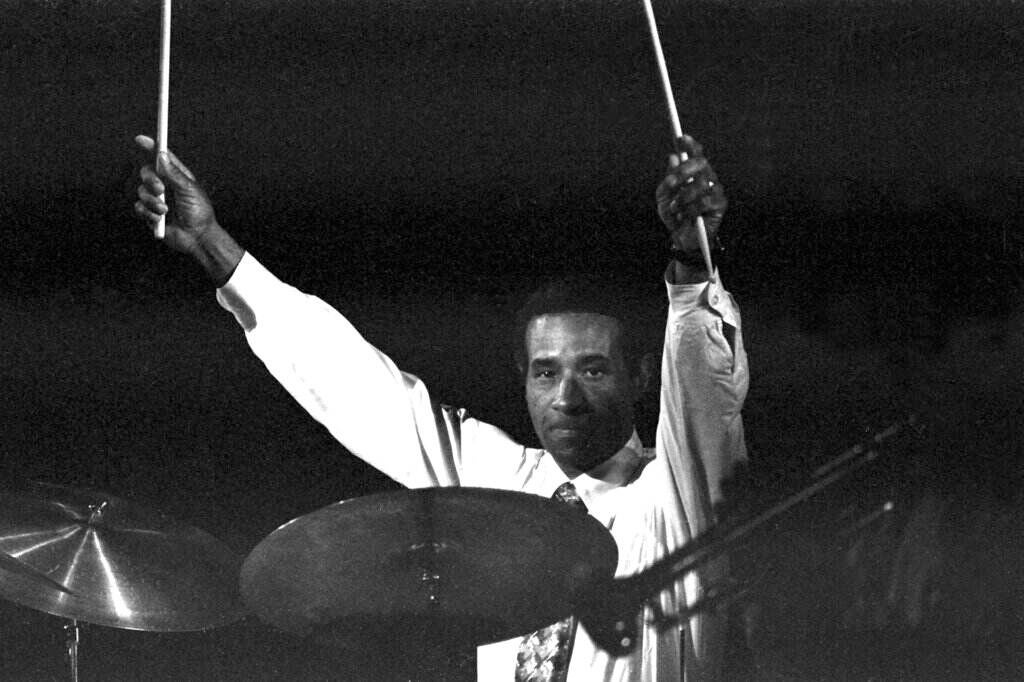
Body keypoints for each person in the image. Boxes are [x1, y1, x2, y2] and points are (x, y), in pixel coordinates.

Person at [132, 133, 748, 681]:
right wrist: (212, 245)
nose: (566, 398)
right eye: (545, 372)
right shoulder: (500, 484)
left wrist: (691, 258)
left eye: (592, 369)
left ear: (640, 377)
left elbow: (701, 387)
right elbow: (352, 383)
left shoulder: (674, 494)